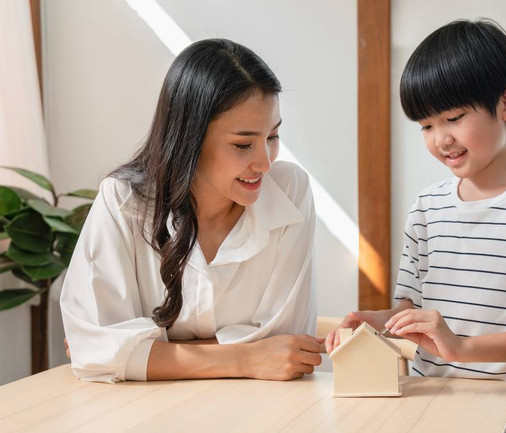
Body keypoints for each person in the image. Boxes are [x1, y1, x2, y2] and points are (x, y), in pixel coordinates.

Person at [326, 19, 506, 432]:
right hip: (431, 416)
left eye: (453, 117)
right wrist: (373, 321)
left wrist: (462, 348)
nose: (440, 139)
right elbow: (411, 311)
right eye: (426, 125)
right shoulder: (427, 208)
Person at [60, 39, 323, 384]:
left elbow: (285, 349)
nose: (265, 161)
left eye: (272, 136)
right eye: (243, 144)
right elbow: (94, 351)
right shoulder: (123, 201)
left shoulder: (290, 191)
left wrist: (150, 353)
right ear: (189, 140)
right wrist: (244, 357)